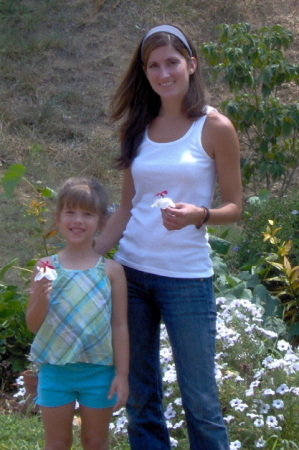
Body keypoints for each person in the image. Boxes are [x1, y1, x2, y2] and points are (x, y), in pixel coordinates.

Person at [95, 24, 242, 450]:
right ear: (145, 73)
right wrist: (83, 258)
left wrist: (202, 214)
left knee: (200, 400)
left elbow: (234, 207)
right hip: (132, 276)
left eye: (172, 62)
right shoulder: (136, 127)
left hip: (186, 280)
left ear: (191, 65)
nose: (164, 73)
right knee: (141, 397)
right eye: (154, 65)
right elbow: (125, 208)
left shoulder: (215, 127)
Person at [26, 177, 129, 450]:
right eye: (70, 212)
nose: (78, 220)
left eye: (87, 214)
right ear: (58, 218)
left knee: (95, 442)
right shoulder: (46, 267)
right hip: (55, 371)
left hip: (99, 373)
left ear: (101, 222)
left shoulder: (111, 271)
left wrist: (122, 374)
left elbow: (119, 325)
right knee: (57, 442)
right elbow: (34, 326)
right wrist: (41, 300)